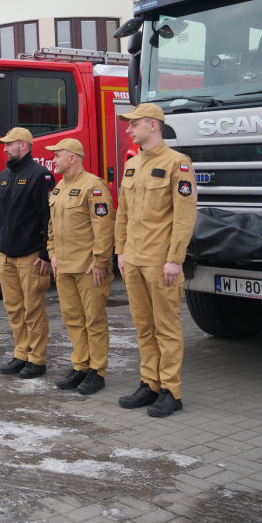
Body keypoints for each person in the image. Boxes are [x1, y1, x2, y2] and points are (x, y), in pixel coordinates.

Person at [115, 103, 197, 417]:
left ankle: (170, 390)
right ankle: (149, 383)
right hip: (134, 260)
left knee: (166, 327)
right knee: (143, 327)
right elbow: (122, 214)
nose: (128, 129)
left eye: (133, 124)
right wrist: (120, 252)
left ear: (153, 125)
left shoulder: (178, 163)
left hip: (161, 262)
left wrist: (175, 259)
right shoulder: (132, 164)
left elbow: (184, 217)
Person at [47, 138, 115, 395]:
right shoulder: (59, 187)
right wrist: (52, 254)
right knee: (73, 320)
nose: (54, 159)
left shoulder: (93, 186)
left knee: (94, 320)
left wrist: (100, 261)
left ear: (72, 157)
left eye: (58, 155)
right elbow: (52, 226)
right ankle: (81, 366)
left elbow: (104, 227)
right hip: (64, 267)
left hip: (88, 268)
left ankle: (97, 371)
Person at [0, 127, 55, 379]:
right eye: (5, 145)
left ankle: (37, 359)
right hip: (6, 256)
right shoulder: (3, 175)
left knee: (33, 309)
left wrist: (46, 253)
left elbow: (48, 218)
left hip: (31, 256)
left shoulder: (40, 175)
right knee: (14, 308)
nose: (5, 149)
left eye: (9, 144)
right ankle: (21, 353)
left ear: (24, 145)